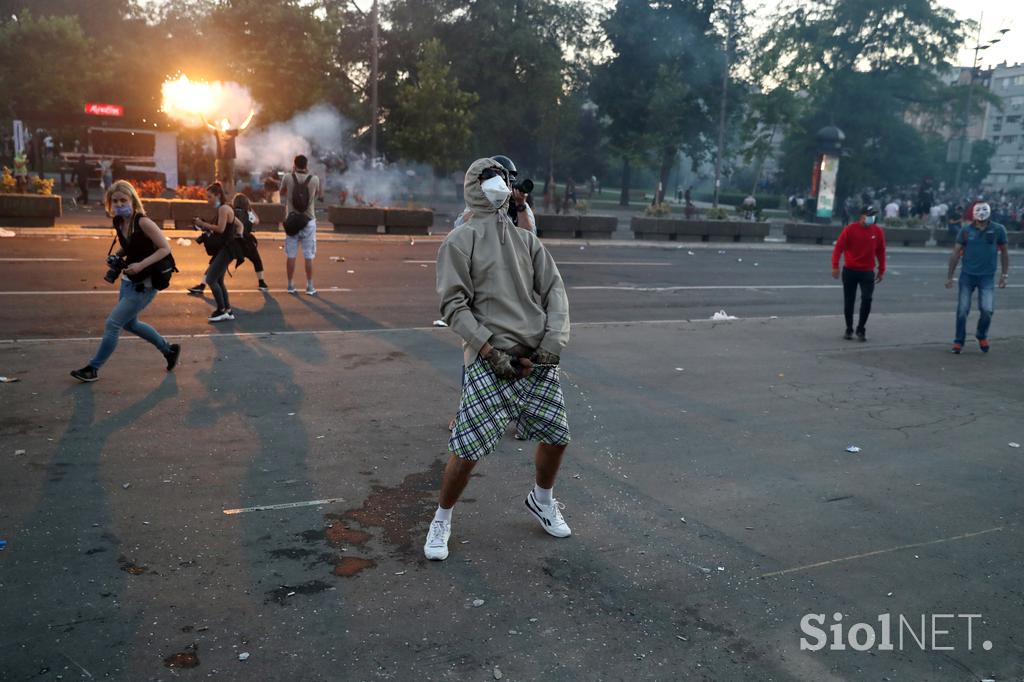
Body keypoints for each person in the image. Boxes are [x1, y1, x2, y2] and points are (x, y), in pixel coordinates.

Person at [424, 158, 572, 561]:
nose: (497, 184)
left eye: (500, 178)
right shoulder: (460, 240)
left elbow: (555, 294)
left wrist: (551, 345)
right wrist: (489, 350)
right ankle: (442, 518)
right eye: (487, 177)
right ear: (473, 187)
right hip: (489, 362)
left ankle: (542, 500)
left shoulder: (528, 240)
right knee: (467, 450)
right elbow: (454, 305)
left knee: (556, 437)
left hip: (535, 361)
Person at [70, 181, 180, 382]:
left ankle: (92, 368)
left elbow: (165, 248)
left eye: (123, 200)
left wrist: (140, 265)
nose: (120, 204)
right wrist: (116, 255)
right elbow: (130, 246)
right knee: (130, 324)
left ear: (132, 200)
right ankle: (169, 350)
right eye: (115, 201)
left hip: (144, 283)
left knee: (113, 324)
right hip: (129, 279)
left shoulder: (143, 222)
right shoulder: (119, 221)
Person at [946, 203, 1010, 354]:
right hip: (967, 275)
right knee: (962, 310)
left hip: (987, 276)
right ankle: (958, 341)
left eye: (984, 213)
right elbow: (956, 253)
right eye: (978, 213)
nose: (981, 217)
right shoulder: (966, 230)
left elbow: (1005, 253)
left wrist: (1004, 275)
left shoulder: (998, 229)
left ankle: (981, 335)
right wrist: (950, 276)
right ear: (973, 214)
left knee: (987, 310)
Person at [832, 206, 886, 341]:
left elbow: (881, 251)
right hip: (850, 270)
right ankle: (849, 328)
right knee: (849, 301)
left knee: (867, 299)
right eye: (869, 215)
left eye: (873, 216)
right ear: (861, 216)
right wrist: (835, 266)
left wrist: (881, 269)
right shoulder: (850, 229)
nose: (871, 218)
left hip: (867, 271)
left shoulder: (877, 231)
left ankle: (861, 329)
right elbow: (838, 248)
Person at [193, 182, 243, 322]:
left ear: (218, 195)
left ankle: (221, 310)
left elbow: (220, 229)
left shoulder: (223, 209)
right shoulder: (226, 208)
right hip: (227, 248)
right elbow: (239, 224)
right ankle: (228, 310)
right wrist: (238, 235)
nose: (207, 200)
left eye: (209, 197)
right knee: (219, 280)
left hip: (227, 249)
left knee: (210, 279)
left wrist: (202, 224)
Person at [280, 154, 321, 295]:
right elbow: (317, 195)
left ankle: (291, 285)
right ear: (306, 165)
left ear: (294, 164)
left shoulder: (287, 177)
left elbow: (281, 192)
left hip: (291, 220)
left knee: (291, 255)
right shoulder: (314, 179)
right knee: (308, 255)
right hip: (308, 220)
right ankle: (310, 286)